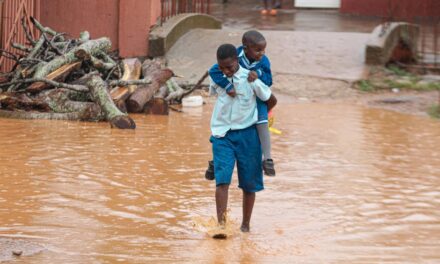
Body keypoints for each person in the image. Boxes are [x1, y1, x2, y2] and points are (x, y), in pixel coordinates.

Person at [209, 43, 275, 232]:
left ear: (237, 61)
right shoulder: (218, 78)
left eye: (229, 67)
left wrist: (264, 114)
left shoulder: (251, 78)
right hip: (222, 136)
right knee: (222, 181)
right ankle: (221, 228)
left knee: (249, 184)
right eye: (221, 68)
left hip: (248, 136)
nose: (226, 71)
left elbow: (271, 98)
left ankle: (245, 226)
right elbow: (216, 94)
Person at [205, 30, 276, 180]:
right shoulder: (234, 55)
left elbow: (269, 80)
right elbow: (213, 71)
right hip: (236, 95)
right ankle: (214, 161)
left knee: (262, 121)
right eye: (258, 50)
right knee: (223, 121)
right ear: (245, 49)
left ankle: (268, 159)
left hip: (256, 95)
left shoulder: (264, 60)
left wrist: (258, 73)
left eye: (263, 50)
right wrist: (227, 86)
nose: (262, 53)